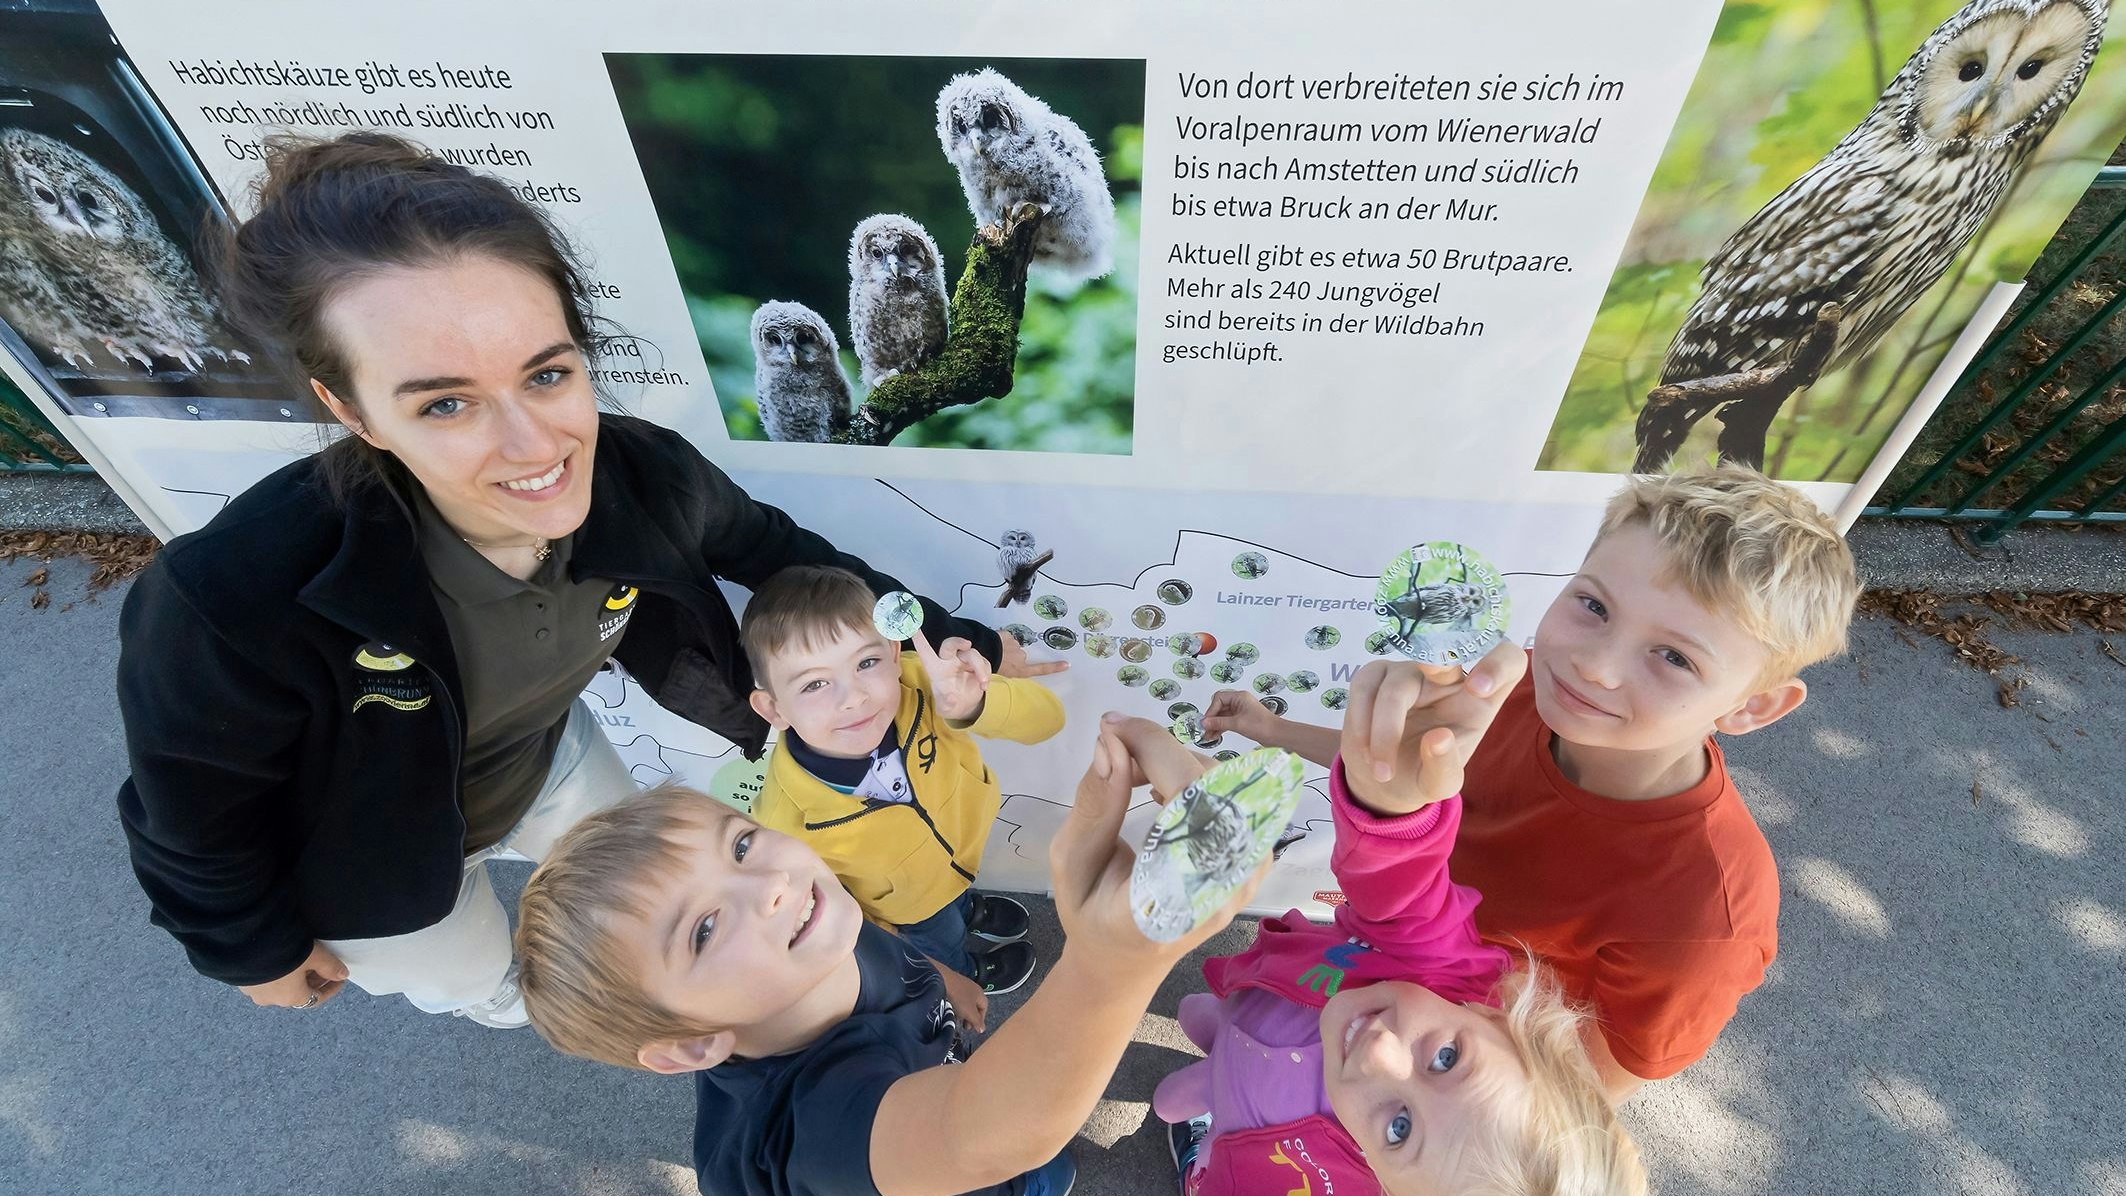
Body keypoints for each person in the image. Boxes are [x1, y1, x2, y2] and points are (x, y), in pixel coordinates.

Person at [112, 132, 1060, 1028]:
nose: (535, 449)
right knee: (504, 985)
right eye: (445, 403)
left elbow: (780, 548)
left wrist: (947, 635)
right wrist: (249, 951)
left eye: (548, 374)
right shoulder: (231, 597)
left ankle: (728, 1011)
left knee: (666, 922)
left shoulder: (642, 478)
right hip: (368, 856)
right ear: (348, 408)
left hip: (547, 758)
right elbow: (192, 813)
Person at [1205, 465, 1859, 1099]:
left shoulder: (1705, 914)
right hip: (1385, 960)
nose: (1594, 665)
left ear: (1752, 707)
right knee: (1250, 1058)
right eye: (1594, 605)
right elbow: (1400, 767)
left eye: (1674, 656)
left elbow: (1596, 1090)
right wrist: (1273, 729)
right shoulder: (1519, 692)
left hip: (1458, 1078)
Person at [511, 724, 1267, 1196]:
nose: (769, 886)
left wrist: (942, 974)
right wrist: (1116, 959)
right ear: (695, 1044)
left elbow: (883, 944)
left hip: (977, 1098)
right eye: (704, 929)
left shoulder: (813, 933)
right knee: (1015, 1154)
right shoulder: (803, 1132)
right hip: (949, 1151)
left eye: (740, 844)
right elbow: (969, 1136)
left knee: (1033, 1153)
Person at [1148, 648, 1645, 1196]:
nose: (1379, 1053)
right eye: (1446, 1058)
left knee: (1195, 1120)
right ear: (1502, 1024)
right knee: (1207, 1031)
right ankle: (1216, 1047)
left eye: (1399, 1128)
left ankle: (1202, 1153)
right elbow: (1405, 891)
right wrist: (1392, 808)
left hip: (1249, 1138)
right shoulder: (1440, 974)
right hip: (1265, 1003)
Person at [740, 566, 1064, 995]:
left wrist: (978, 702)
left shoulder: (930, 684)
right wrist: (901, 947)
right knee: (941, 939)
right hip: (912, 908)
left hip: (965, 848)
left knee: (959, 897)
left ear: (895, 655)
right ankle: (968, 973)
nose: (854, 696)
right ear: (773, 709)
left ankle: (971, 909)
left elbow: (1049, 721)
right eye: (815, 683)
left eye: (867, 662)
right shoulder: (783, 821)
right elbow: (830, 906)